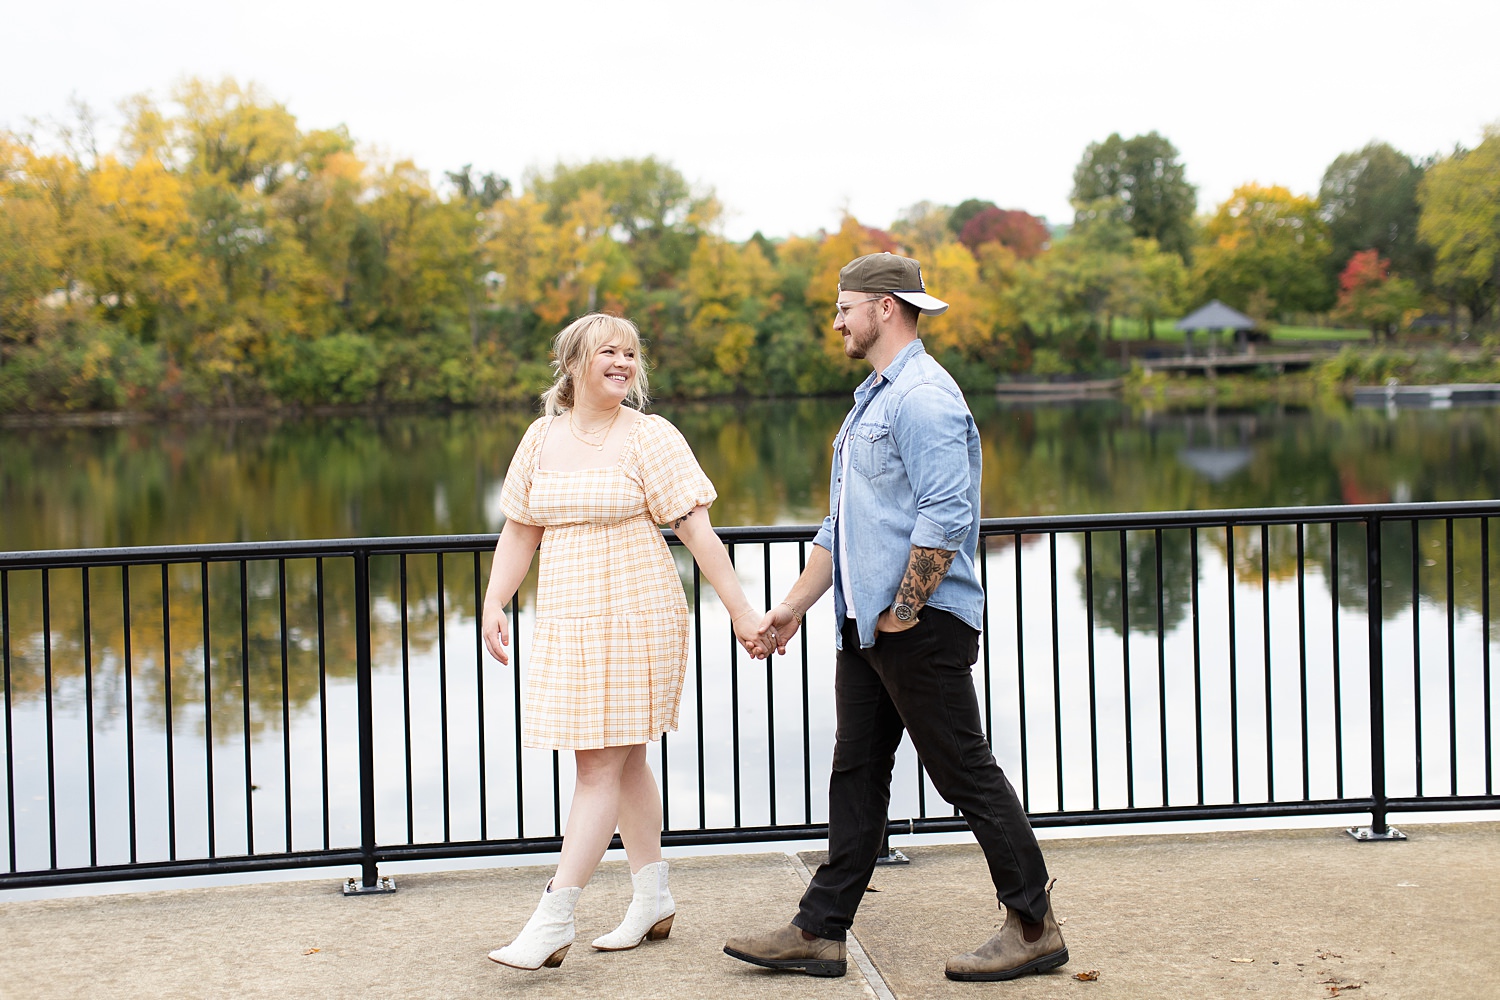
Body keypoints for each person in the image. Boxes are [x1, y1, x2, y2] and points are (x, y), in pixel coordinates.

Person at [722, 253, 1069, 982]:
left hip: (921, 624)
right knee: (856, 773)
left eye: (845, 307)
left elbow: (948, 513)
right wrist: (789, 610)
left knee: (964, 772)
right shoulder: (871, 401)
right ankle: (819, 931)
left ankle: (1033, 924)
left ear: (884, 307)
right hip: (867, 624)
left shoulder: (923, 398)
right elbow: (839, 525)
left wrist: (906, 609)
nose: (837, 320)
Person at [481, 313, 769, 971]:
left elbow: (698, 533)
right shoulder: (541, 437)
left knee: (597, 766)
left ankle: (554, 917)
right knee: (625, 759)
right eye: (608, 351)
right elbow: (521, 530)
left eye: (631, 353)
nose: (623, 361)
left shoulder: (651, 437)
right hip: (567, 618)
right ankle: (652, 897)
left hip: (637, 615)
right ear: (574, 362)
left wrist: (741, 612)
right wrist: (495, 599)